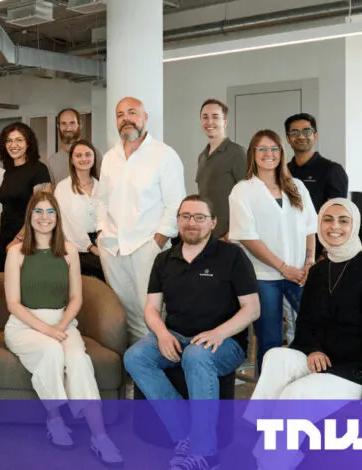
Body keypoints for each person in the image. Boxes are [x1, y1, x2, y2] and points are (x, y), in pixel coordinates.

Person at [124, 195, 259, 470]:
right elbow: (151, 308)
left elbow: (251, 309)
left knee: (196, 356)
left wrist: (219, 334)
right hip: (176, 336)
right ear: (177, 221)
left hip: (225, 343)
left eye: (199, 217)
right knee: (135, 356)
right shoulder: (164, 260)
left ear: (213, 223)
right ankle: (187, 433)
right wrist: (162, 334)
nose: (191, 223)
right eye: (185, 216)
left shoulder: (232, 256)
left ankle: (205, 452)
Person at [3, 191, 122, 466]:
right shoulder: (15, 252)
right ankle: (54, 420)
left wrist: (61, 325)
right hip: (24, 324)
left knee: (78, 359)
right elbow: (12, 303)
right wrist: (47, 330)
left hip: (63, 321)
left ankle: (100, 436)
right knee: (51, 352)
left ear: (57, 217)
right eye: (38, 212)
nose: (44, 218)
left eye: (50, 212)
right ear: (29, 217)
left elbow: (76, 298)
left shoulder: (68, 251)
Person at [243, 198, 362, 470]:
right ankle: (261, 437)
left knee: (296, 394)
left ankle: (270, 461)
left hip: (353, 369)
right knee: (275, 357)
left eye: (343, 220)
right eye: (328, 220)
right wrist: (314, 350)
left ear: (355, 225)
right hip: (322, 358)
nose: (335, 227)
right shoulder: (319, 271)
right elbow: (306, 323)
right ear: (319, 225)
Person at [96, 97, 186, 345]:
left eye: (132, 112)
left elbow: (176, 203)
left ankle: (156, 370)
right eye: (120, 114)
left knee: (153, 314)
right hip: (113, 247)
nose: (126, 118)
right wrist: (101, 232)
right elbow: (101, 199)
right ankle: (134, 374)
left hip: (147, 246)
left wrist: (158, 241)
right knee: (123, 315)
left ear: (145, 117)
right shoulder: (110, 157)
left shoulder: (164, 155)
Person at [228, 129, 317, 370]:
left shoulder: (296, 186)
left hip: (301, 274)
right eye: (262, 149)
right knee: (270, 341)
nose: (269, 154)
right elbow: (248, 238)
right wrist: (283, 267)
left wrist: (309, 263)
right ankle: (268, 398)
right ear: (253, 154)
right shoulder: (243, 190)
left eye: (274, 148)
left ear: (281, 153)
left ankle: (305, 386)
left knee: (316, 330)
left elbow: (311, 226)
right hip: (263, 277)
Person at [284, 113, 348, 257]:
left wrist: (325, 253)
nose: (301, 136)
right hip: (288, 250)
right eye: (294, 132)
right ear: (288, 138)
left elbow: (337, 216)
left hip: (319, 252)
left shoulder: (331, 170)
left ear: (315, 135)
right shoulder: (284, 172)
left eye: (307, 131)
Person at [0, 122, 52, 270]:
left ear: (28, 143)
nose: (13, 144)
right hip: (5, 238)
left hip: (28, 240)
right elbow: (6, 210)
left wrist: (18, 240)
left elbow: (41, 212)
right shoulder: (9, 171)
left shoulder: (39, 170)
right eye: (9, 140)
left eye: (19, 140)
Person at [195, 99, 247, 240]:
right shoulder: (202, 157)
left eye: (215, 116)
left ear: (225, 122)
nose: (209, 121)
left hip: (229, 239)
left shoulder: (237, 153)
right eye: (205, 117)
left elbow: (249, 197)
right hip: (207, 236)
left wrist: (232, 234)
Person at [53, 139, 104, 280]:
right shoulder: (63, 188)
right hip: (78, 247)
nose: (84, 159)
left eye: (88, 155)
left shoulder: (102, 186)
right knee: (103, 271)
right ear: (71, 160)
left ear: (94, 157)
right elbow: (68, 224)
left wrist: (102, 245)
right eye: (78, 155)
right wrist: (91, 247)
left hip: (103, 242)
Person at [45, 108, 100, 186]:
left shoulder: (94, 154)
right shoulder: (52, 161)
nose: (68, 128)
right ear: (58, 126)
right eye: (64, 123)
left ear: (80, 125)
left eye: (72, 123)